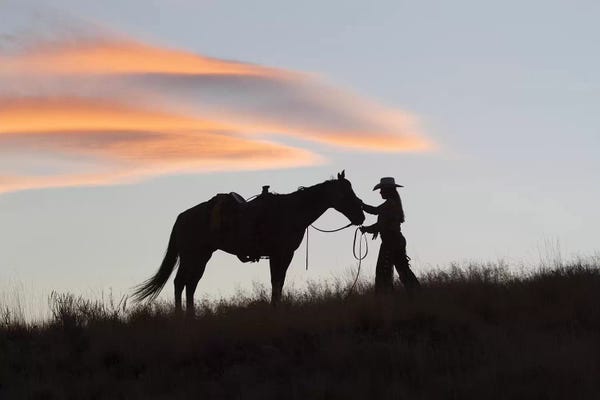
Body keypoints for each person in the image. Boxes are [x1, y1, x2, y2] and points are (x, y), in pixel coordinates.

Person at [360, 177, 420, 293]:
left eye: (382, 190)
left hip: (390, 243)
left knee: (383, 272)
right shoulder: (392, 204)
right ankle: (416, 293)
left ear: (388, 190)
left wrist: (366, 229)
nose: (380, 192)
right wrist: (361, 205)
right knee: (402, 270)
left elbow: (380, 224)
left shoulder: (389, 205)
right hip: (396, 241)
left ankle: (385, 297)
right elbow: (376, 211)